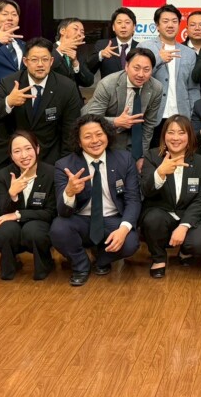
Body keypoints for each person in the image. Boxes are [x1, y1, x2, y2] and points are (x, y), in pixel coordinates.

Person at [50, 114, 142, 286]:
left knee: (130, 242)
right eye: (87, 136)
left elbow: (133, 200)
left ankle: (101, 260)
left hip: (112, 219)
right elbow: (62, 211)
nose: (95, 141)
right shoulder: (64, 165)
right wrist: (69, 192)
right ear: (78, 142)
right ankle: (81, 265)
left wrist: (123, 229)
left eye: (99, 134)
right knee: (59, 228)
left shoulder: (125, 159)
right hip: (81, 221)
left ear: (107, 135)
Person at [0, 37, 82, 171]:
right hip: (7, 157)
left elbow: (70, 132)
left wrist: (63, 168)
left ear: (51, 61)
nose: (40, 64)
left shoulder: (67, 87)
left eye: (45, 59)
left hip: (48, 157)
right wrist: (8, 102)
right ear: (25, 61)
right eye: (34, 60)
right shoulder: (9, 83)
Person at [138, 115, 201, 277]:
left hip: (189, 214)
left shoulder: (200, 162)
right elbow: (146, 190)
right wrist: (160, 173)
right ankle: (159, 258)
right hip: (161, 213)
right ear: (164, 136)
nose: (175, 138)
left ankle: (185, 252)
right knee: (153, 220)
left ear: (190, 136)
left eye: (181, 133)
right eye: (171, 132)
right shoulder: (152, 157)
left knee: (200, 242)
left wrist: (184, 225)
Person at [0, 130, 57, 281]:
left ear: (37, 149)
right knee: (4, 231)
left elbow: (51, 212)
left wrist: (18, 214)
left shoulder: (51, 173)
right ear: (11, 155)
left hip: (39, 222)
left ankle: (45, 263)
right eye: (17, 151)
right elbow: (2, 212)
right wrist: (12, 195)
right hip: (12, 223)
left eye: (28, 148)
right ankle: (9, 266)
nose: (24, 155)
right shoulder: (3, 175)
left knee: (33, 231)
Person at [84, 47, 163, 162]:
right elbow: (91, 118)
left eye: (146, 70)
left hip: (133, 137)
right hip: (105, 134)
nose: (141, 74)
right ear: (126, 66)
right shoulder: (107, 84)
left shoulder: (156, 88)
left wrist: (142, 155)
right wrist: (116, 122)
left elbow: (149, 125)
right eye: (136, 68)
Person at [141, 4, 201, 147]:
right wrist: (158, 59)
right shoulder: (145, 47)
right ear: (157, 25)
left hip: (181, 116)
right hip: (153, 116)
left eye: (174, 21)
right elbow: (138, 78)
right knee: (154, 155)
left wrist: (193, 114)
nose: (170, 25)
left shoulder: (189, 53)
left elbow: (193, 88)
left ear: (179, 25)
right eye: (165, 21)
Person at [86, 7, 139, 80]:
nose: (123, 26)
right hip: (109, 87)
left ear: (134, 27)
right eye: (119, 22)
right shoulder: (102, 45)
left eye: (127, 22)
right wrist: (100, 55)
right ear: (113, 27)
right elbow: (88, 71)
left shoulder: (140, 47)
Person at [52, 17, 95, 88]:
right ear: (62, 31)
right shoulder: (48, 49)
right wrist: (60, 50)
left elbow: (89, 82)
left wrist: (75, 63)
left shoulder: (79, 55)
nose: (79, 34)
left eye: (82, 32)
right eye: (75, 29)